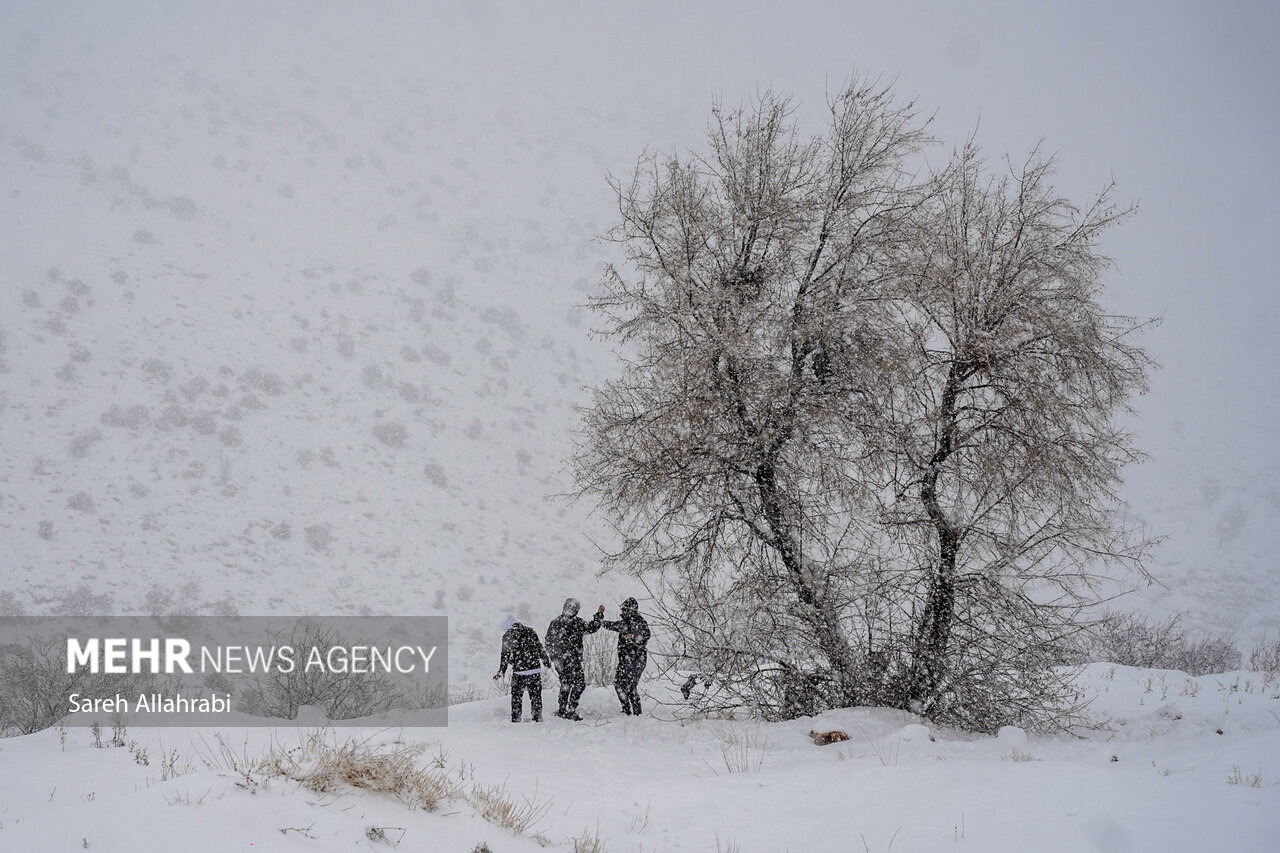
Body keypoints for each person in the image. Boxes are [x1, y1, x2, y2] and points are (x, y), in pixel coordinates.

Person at [545, 598, 604, 720]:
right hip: (567, 660)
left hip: (566, 660)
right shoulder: (565, 622)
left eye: (572, 608)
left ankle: (564, 710)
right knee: (575, 684)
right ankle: (569, 710)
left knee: (569, 683)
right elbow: (548, 641)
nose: (570, 611)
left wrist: (598, 616)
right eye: (569, 608)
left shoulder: (562, 622)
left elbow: (591, 627)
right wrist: (555, 655)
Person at [493, 615, 551, 723]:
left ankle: (516, 719)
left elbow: (504, 656)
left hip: (519, 671)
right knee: (536, 696)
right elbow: (540, 648)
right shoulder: (530, 631)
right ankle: (537, 718)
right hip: (534, 670)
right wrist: (546, 661)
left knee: (516, 697)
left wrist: (501, 671)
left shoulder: (507, 636)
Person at [601, 597, 650, 715]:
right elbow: (613, 625)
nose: (622, 612)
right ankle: (630, 711)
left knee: (627, 685)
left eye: (624, 610)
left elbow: (646, 635)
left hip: (634, 660)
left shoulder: (637, 622)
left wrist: (634, 637)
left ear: (630, 610)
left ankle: (633, 712)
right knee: (624, 684)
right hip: (627, 661)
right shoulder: (627, 622)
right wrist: (601, 618)